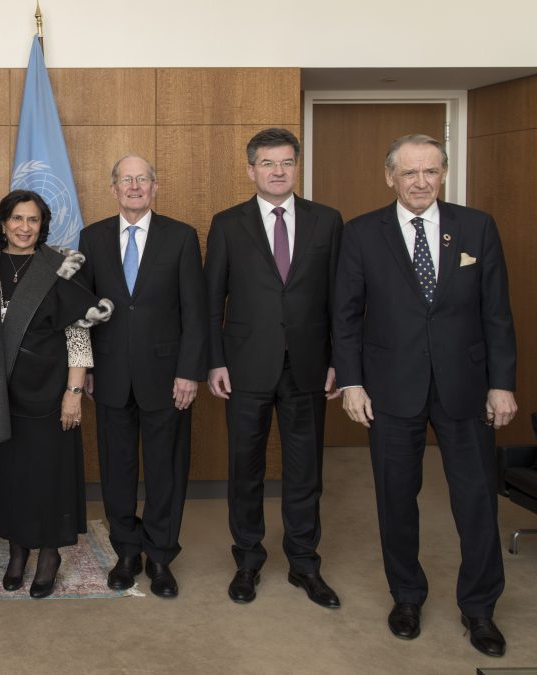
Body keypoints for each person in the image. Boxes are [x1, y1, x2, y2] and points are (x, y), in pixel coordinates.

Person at [333, 134, 518, 657]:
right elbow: (345, 317)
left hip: (468, 388)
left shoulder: (476, 227)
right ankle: (407, 597)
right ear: (390, 175)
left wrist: (502, 382)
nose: (420, 182)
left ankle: (480, 607)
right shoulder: (363, 233)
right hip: (390, 389)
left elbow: (497, 313)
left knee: (477, 501)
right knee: (396, 499)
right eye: (410, 173)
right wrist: (352, 382)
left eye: (430, 172)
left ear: (443, 174)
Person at [204, 128, 343, 608]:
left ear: (296, 166)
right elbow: (210, 301)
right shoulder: (227, 224)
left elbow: (340, 301)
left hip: (308, 367)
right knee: (246, 468)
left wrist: (338, 363)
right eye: (268, 163)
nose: (278, 171)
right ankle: (247, 560)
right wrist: (215, 361)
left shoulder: (327, 221)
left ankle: (305, 565)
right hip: (244, 367)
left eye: (286, 162)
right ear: (251, 170)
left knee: (306, 472)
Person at [77, 155, 207, 598]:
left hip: (168, 376)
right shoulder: (92, 237)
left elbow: (195, 311)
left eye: (142, 179)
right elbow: (84, 313)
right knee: (117, 469)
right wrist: (87, 368)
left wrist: (190, 371)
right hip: (110, 374)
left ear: (155, 186)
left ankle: (161, 557)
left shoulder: (182, 237)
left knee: (166, 469)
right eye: (125, 180)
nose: (134, 186)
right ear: (112, 189)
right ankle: (127, 552)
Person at [0, 190, 112, 599]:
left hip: (49, 389)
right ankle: (17, 550)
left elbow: (78, 331)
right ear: (2, 222)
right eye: (16, 219)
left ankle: (49, 553)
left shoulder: (59, 267)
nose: (23, 227)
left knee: (48, 475)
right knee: (10, 475)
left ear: (43, 225)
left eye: (33, 220)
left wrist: (73, 391)